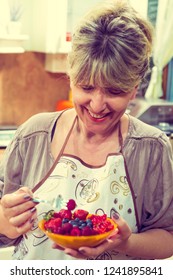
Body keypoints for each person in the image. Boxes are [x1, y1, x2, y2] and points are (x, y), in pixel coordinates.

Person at [0, 0, 173, 260]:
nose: (97, 105)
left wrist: (126, 243)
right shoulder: (31, 136)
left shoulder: (152, 148)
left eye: (115, 91)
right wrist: (5, 221)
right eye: (86, 87)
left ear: (134, 89)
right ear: (70, 77)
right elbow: (4, 229)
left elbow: (168, 237)